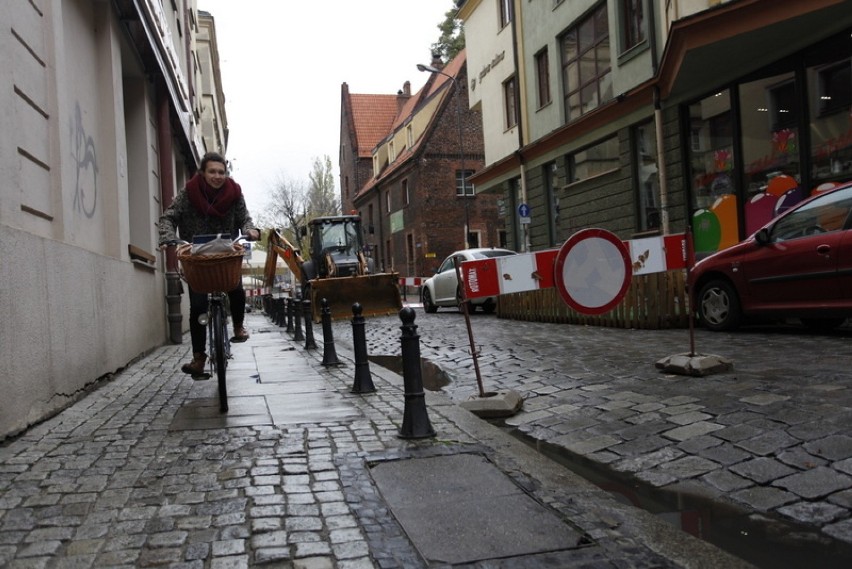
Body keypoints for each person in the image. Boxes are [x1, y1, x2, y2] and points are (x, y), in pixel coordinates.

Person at [158, 152, 260, 377]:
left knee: (235, 287)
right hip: (197, 255)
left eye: (221, 172)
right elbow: (169, 217)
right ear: (203, 173)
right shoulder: (189, 193)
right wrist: (167, 236)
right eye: (212, 171)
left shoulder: (234, 193)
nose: (217, 176)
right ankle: (199, 357)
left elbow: (245, 218)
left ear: (226, 173)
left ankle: (238, 327)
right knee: (198, 306)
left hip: (225, 252)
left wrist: (251, 230)